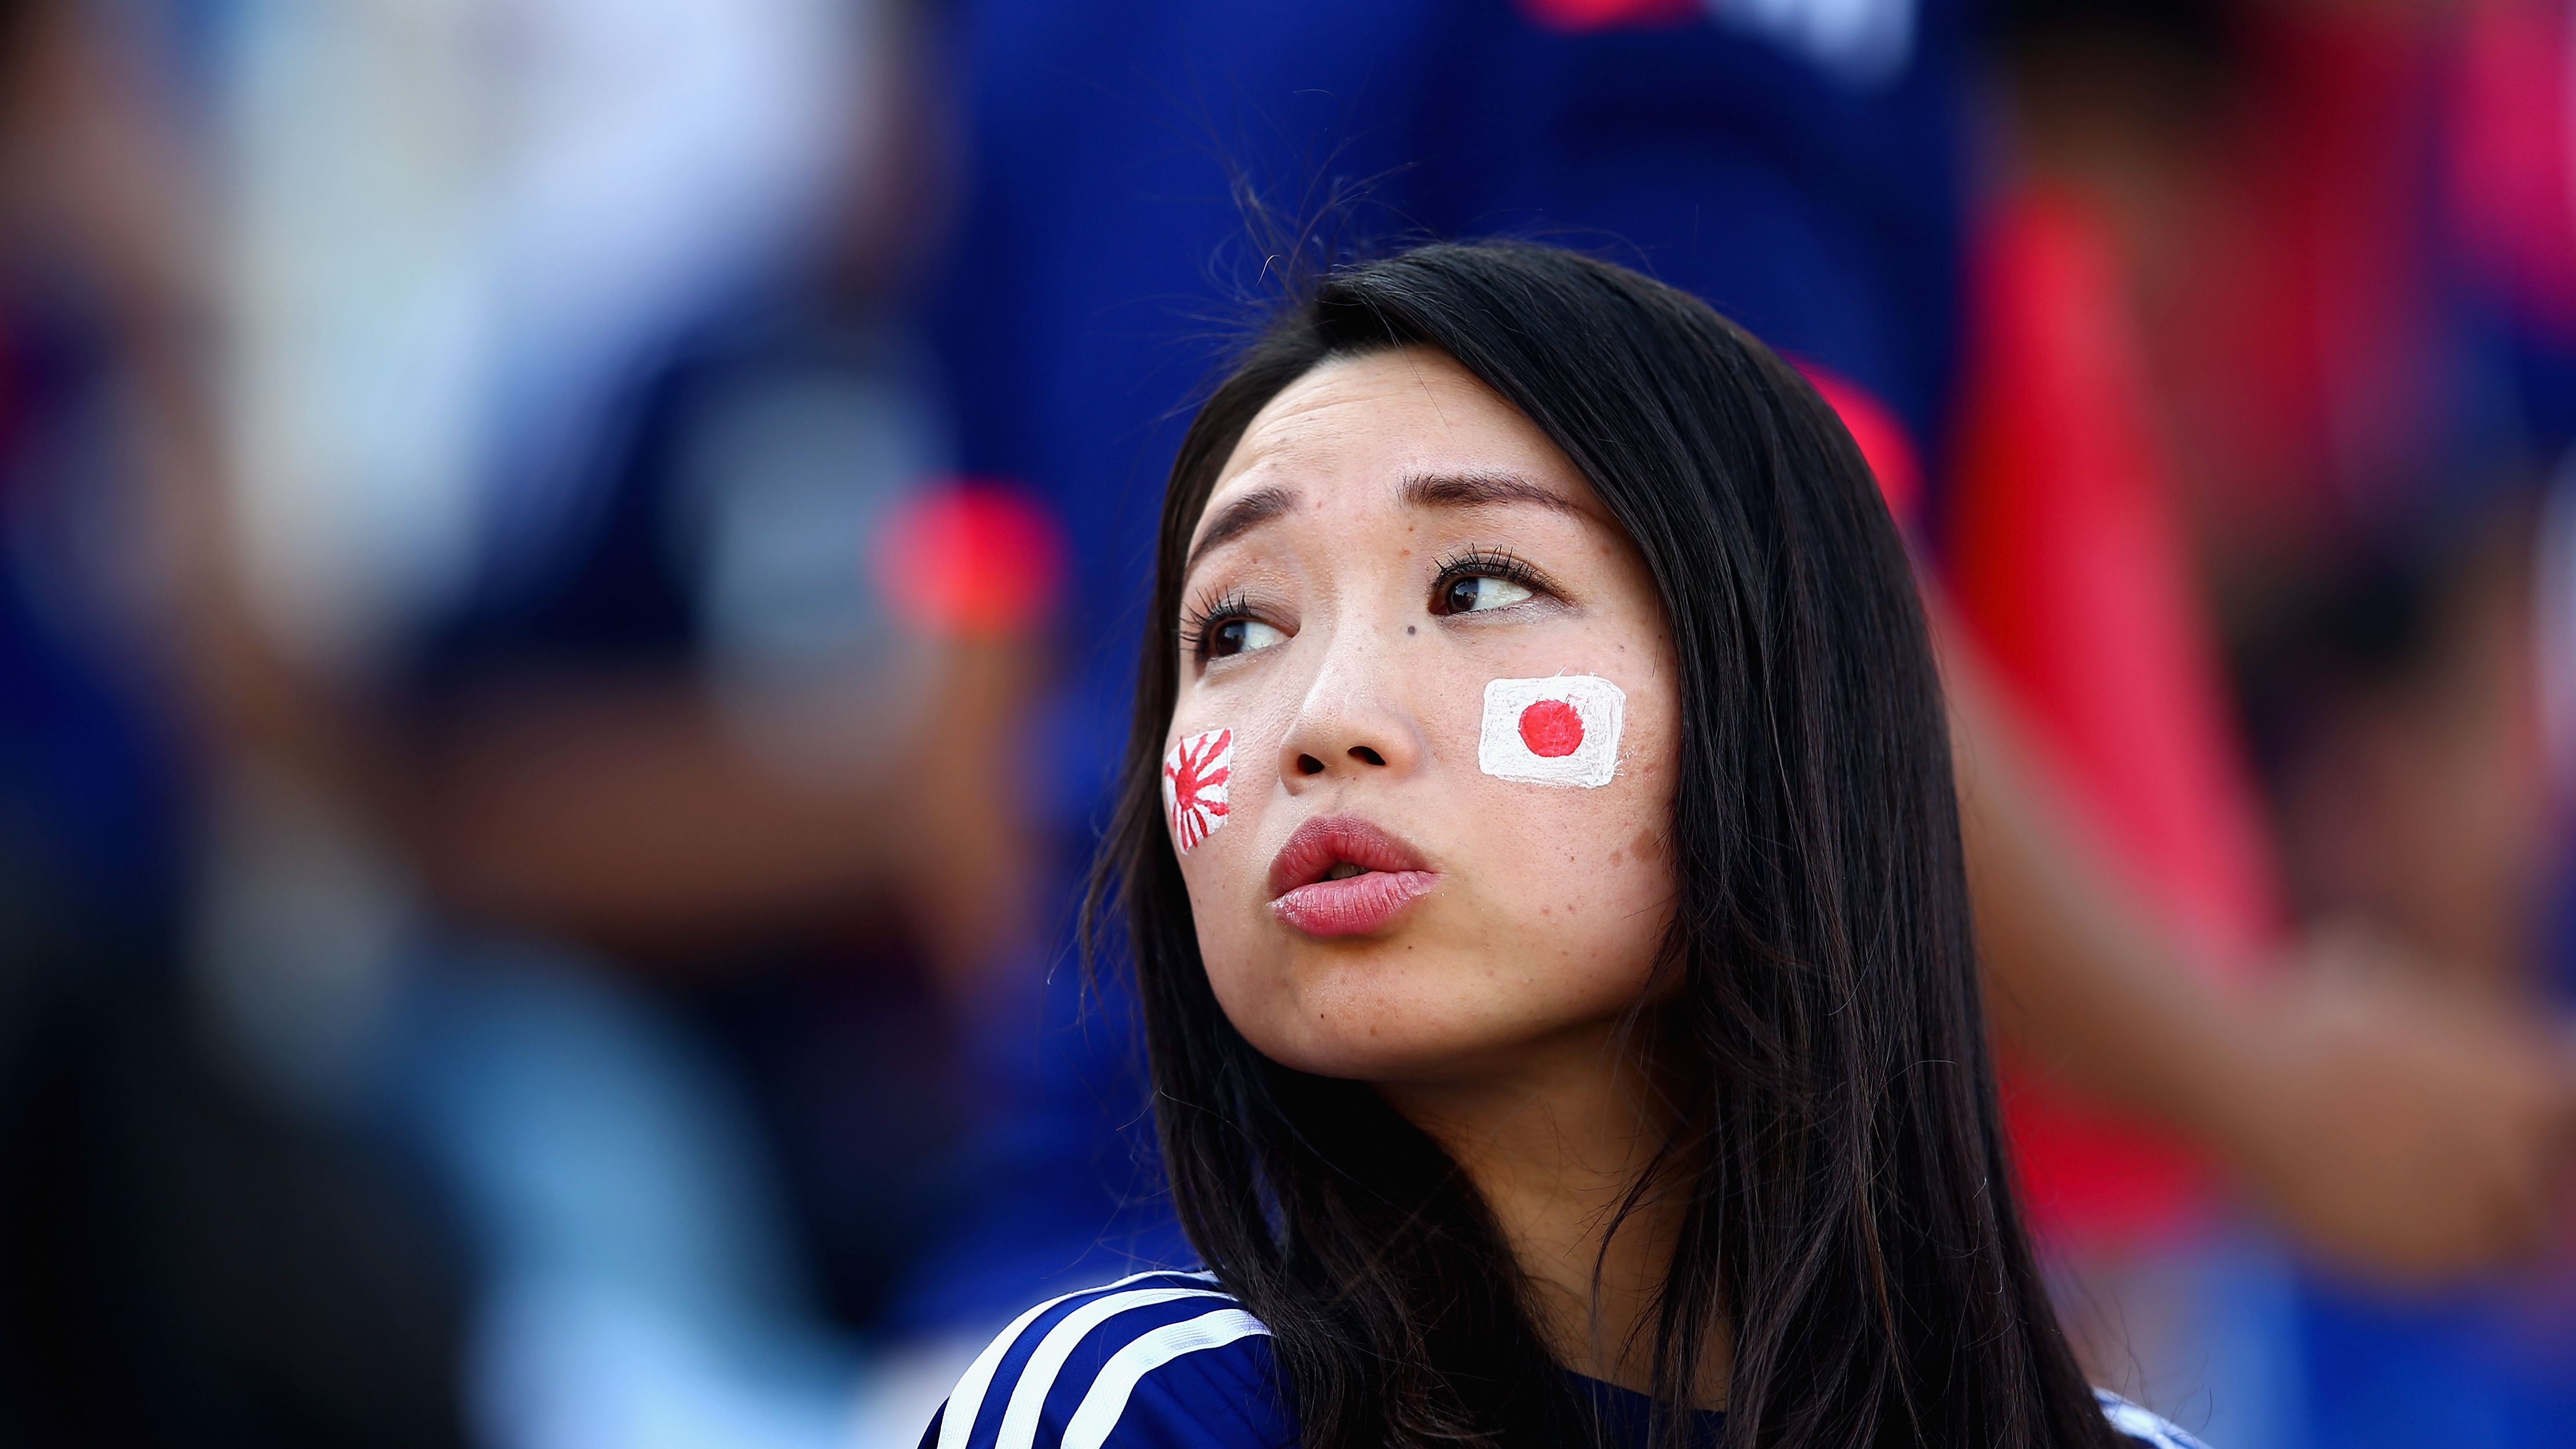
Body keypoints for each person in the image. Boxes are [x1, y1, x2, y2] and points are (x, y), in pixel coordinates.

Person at [920, 242, 2209, 1448]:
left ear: (1781, 709)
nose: (1323, 720)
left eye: (1476, 587)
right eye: (1238, 629)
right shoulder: (1143, 1413)